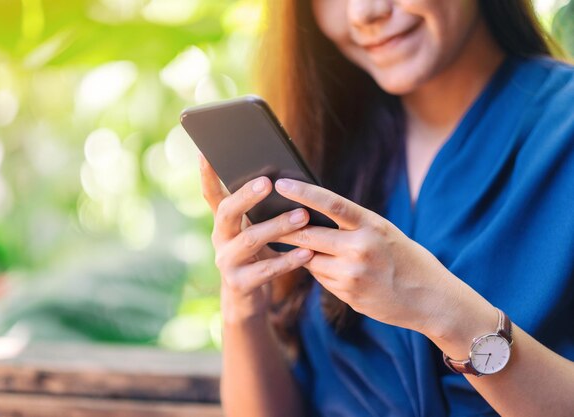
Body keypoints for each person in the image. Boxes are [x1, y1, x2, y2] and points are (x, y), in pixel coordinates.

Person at [198, 1, 574, 416]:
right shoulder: (328, 147)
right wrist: (243, 308)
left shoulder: (562, 130)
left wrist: (441, 308)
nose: (364, 13)